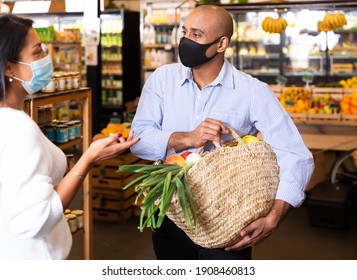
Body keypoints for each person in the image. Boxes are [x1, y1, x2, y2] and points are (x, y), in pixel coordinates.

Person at [130, 5, 314, 260]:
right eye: (184, 32)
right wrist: (187, 137)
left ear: (221, 43)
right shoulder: (162, 80)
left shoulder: (251, 91)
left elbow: (295, 154)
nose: (185, 41)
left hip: (228, 221)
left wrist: (274, 217)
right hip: (170, 214)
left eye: (196, 35)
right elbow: (138, 139)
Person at [0, 14, 140, 260]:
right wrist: (88, 159)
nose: (47, 58)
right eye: (38, 52)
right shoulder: (19, 129)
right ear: (9, 67)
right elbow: (36, 220)